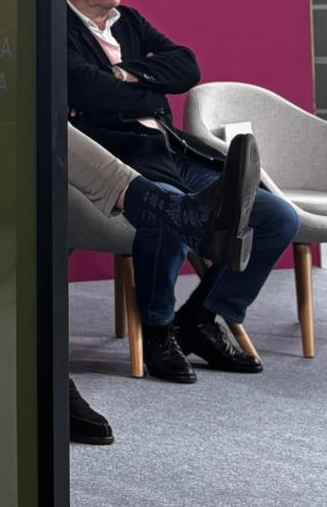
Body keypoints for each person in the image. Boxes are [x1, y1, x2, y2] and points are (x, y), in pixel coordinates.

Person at [65, 0, 298, 385]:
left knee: (277, 217)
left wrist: (123, 75)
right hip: (120, 155)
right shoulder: (57, 27)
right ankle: (157, 332)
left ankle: (201, 319)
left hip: (173, 148)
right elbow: (85, 89)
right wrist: (150, 85)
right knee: (169, 211)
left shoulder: (130, 21)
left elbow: (187, 66)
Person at [65, 122, 260, 443]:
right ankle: (176, 214)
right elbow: (92, 95)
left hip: (165, 151)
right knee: (42, 125)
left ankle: (198, 317)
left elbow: (172, 85)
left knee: (280, 218)